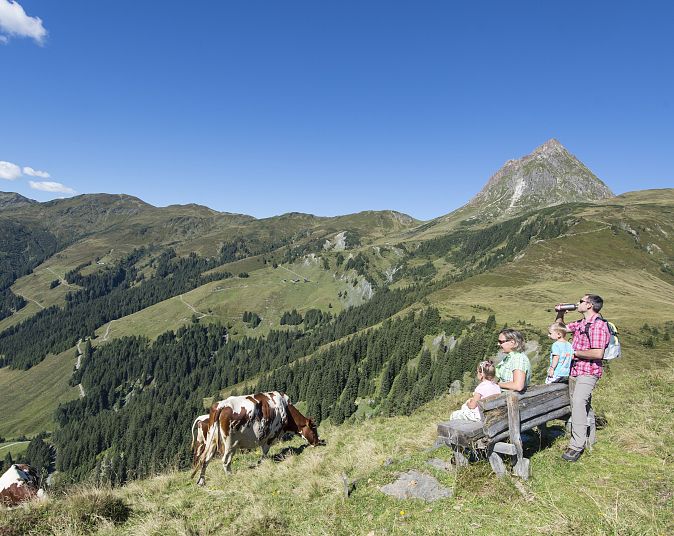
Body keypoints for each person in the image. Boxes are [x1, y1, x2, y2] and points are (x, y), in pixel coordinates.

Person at [555, 294, 610, 462]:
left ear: (589, 305)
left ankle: (576, 445)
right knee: (583, 404)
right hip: (576, 370)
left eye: (581, 301)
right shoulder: (581, 323)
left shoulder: (598, 326)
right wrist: (561, 313)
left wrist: (574, 353)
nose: (577, 303)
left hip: (589, 370)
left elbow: (598, 353)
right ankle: (590, 438)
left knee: (578, 402)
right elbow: (559, 330)